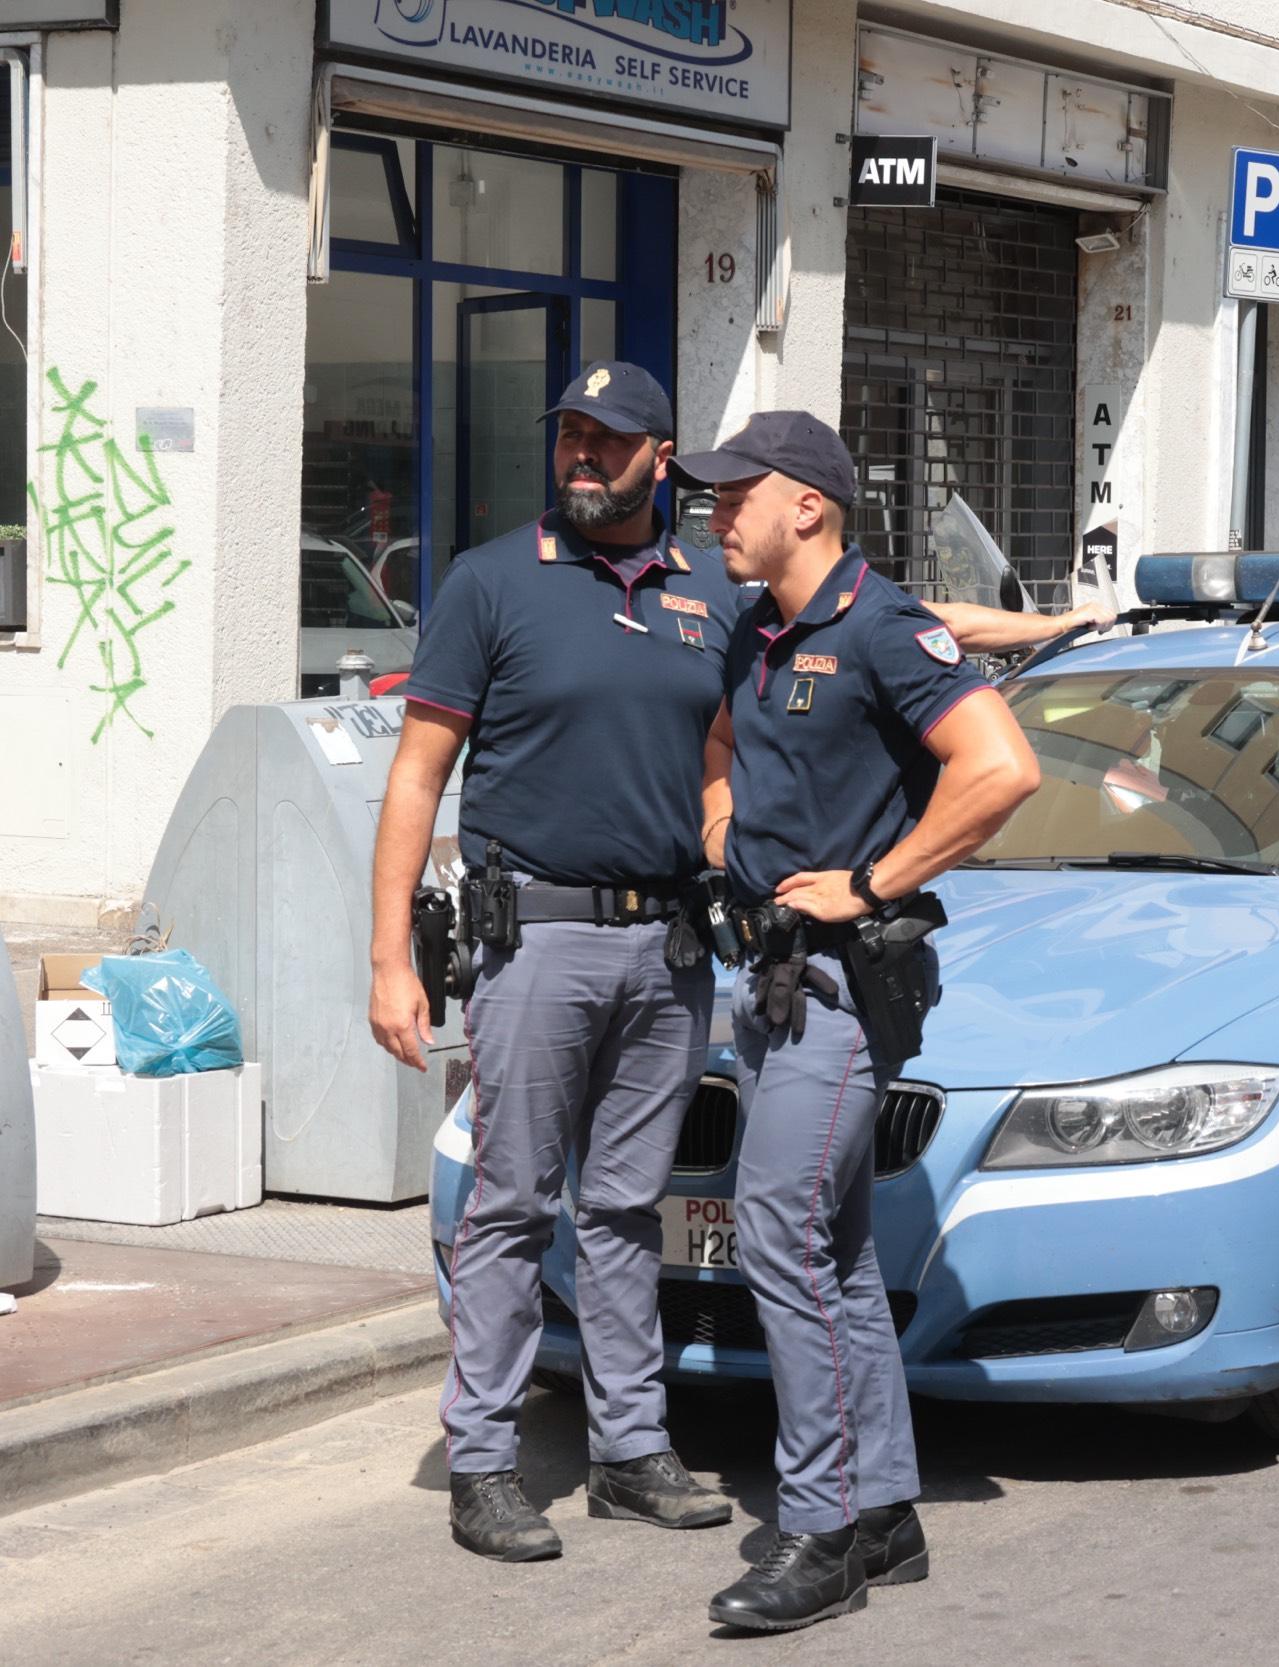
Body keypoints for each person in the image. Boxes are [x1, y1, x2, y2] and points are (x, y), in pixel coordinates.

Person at [671, 412, 1041, 1632]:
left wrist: (874, 881)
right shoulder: (756, 625)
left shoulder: (884, 627)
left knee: (776, 1233)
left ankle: (820, 1527)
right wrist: (724, 827)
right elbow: (721, 737)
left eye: (738, 497)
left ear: (810, 507)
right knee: (833, 1256)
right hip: (768, 976)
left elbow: (1000, 767)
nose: (716, 514)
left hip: (838, 982)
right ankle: (884, 1508)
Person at [368, 361, 738, 1560]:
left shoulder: (709, 588)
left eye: (607, 439)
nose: (582, 455)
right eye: (570, 436)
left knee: (632, 1207)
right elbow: (418, 773)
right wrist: (389, 958)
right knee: (513, 1202)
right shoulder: (489, 582)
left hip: (670, 945)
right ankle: (483, 1458)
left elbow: (723, 749)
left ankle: (630, 1448)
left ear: (660, 458)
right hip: (536, 938)